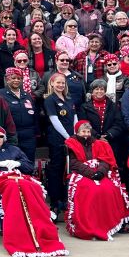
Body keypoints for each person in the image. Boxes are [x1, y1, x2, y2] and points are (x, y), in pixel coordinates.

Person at [0, 126, 67, 257]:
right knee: (13, 187)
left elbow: (28, 166)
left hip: (19, 177)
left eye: (1, 136)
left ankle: (41, 222)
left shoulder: (15, 150)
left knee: (32, 187)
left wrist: (17, 164)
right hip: (0, 178)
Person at [64, 120, 129, 240]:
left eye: (88, 131)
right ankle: (90, 225)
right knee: (90, 190)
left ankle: (108, 223)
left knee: (110, 188)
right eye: (83, 132)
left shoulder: (99, 144)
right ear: (77, 132)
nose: (86, 134)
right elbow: (74, 163)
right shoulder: (71, 144)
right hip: (82, 173)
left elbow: (105, 160)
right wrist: (91, 173)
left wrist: (100, 173)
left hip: (100, 172)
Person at [43, 72, 77, 217]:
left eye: (63, 83)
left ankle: (66, 199)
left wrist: (76, 135)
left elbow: (75, 117)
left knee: (68, 169)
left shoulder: (69, 99)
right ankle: (55, 201)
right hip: (58, 139)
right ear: (51, 84)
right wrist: (68, 137)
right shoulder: (50, 99)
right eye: (58, 82)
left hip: (71, 139)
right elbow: (54, 120)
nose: (60, 85)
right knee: (56, 170)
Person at [0, 67, 38, 163]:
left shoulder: (27, 95)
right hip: (11, 135)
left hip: (29, 135)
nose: (16, 80)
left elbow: (34, 114)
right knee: (13, 163)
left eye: (19, 78)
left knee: (28, 163)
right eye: (13, 78)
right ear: (7, 79)